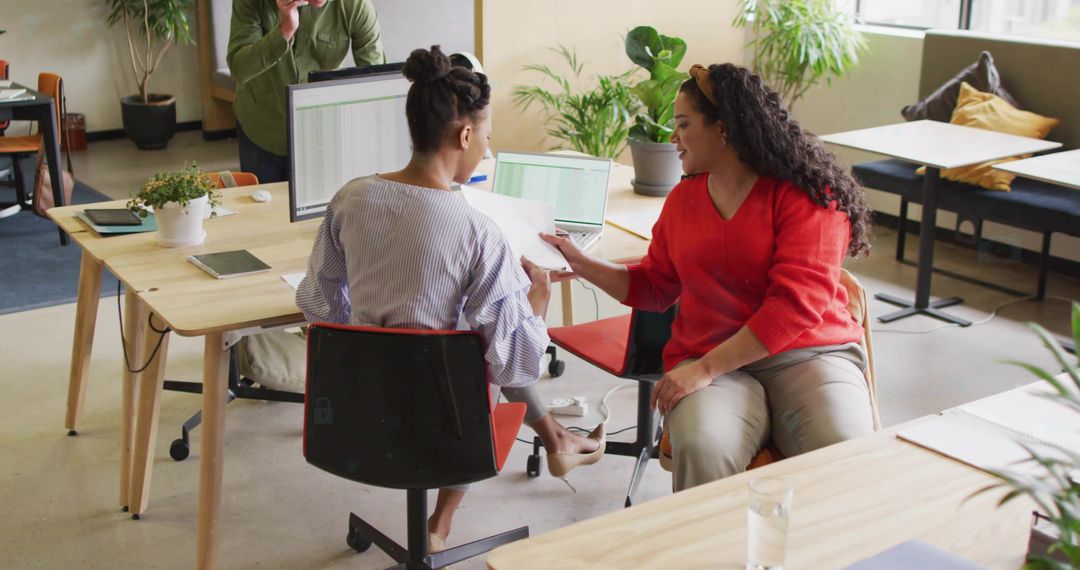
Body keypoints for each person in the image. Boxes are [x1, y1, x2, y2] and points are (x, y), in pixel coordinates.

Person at [295, 46, 604, 552]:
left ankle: (540, 451)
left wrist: (380, 326)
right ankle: (443, 522)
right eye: (486, 135)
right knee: (484, 349)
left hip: (357, 413)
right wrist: (536, 303)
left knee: (462, 336)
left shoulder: (349, 198)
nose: (487, 145)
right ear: (464, 136)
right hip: (449, 426)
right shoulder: (479, 233)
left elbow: (322, 308)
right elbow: (517, 363)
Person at [541, 63, 876, 492]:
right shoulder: (684, 200)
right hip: (708, 357)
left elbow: (795, 307)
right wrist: (579, 262)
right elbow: (655, 285)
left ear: (725, 129)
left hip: (808, 355)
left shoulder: (811, 197)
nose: (672, 138)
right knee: (703, 447)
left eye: (683, 124)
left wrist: (704, 370)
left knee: (845, 449)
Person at [227, 0, 385, 183]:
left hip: (323, 131)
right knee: (262, 207)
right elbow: (239, 69)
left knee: (322, 209)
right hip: (262, 126)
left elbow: (375, 83)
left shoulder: (355, 5)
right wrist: (284, 31)